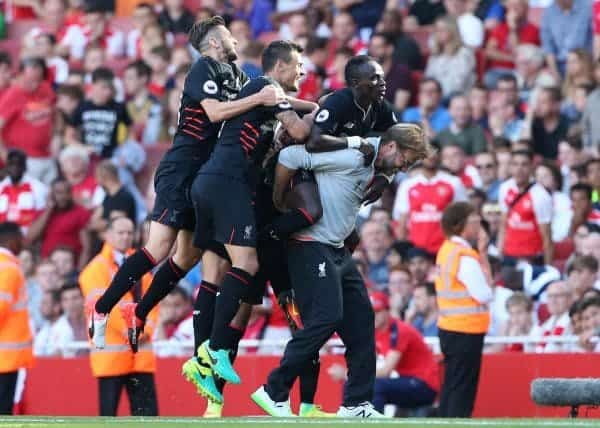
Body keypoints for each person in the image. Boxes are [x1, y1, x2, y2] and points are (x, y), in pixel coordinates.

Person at [88, 16, 284, 359]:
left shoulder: (237, 77)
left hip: (208, 178)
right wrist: (259, 99)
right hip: (181, 168)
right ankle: (102, 308)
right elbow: (214, 113)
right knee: (158, 247)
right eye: (228, 35)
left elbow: (248, 111)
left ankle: (139, 311)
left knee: (188, 255)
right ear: (212, 43)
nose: (236, 41)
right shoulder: (202, 69)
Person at [252, 124, 432, 418]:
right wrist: (279, 200)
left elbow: (383, 169)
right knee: (326, 317)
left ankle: (356, 404)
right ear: (390, 147)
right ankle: (273, 390)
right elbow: (292, 157)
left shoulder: (379, 165)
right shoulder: (351, 157)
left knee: (362, 320)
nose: (405, 166)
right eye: (405, 159)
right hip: (309, 244)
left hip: (335, 247)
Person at [189, 40, 313, 404]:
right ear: (280, 67)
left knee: (220, 276)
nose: (302, 72)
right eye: (298, 65)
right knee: (247, 268)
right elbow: (303, 132)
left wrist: (309, 107)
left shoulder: (262, 101)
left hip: (220, 189)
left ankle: (206, 364)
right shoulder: (265, 87)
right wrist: (321, 114)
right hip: (229, 188)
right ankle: (211, 353)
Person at [79, 216, 158, 416]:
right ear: (108, 235)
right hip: (112, 355)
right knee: (109, 416)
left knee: (147, 414)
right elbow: (102, 307)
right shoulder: (96, 268)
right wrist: (131, 330)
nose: (125, 237)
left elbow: (154, 299)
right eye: (120, 232)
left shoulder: (140, 263)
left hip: (140, 354)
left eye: (130, 233)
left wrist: (146, 329)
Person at [435, 202, 493, 418]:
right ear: (461, 225)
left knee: (452, 384)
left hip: (450, 327)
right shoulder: (465, 256)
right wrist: (484, 255)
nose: (479, 224)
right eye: (475, 220)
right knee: (463, 388)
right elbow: (484, 294)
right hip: (466, 329)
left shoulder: (447, 250)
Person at [369, 291, 439, 414]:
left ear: (387, 311)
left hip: (424, 384)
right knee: (353, 385)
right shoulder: (376, 332)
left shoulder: (399, 330)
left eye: (377, 312)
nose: (373, 316)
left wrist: (354, 375)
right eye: (370, 312)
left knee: (376, 386)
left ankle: (375, 424)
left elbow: (386, 371)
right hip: (408, 381)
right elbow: (368, 363)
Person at [393, 143, 467, 256]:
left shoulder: (454, 183)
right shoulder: (408, 185)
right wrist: (402, 251)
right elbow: (402, 221)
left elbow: (463, 217)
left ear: (440, 156)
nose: (430, 156)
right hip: (416, 252)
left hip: (445, 249)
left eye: (434, 153)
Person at [0, 57, 56, 183]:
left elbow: (56, 117)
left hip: (48, 156)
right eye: (30, 79)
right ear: (20, 75)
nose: (35, 84)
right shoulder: (13, 94)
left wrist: (56, 137)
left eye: (38, 79)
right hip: (26, 159)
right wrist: (6, 157)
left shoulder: (46, 89)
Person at [498, 150, 553, 265]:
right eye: (515, 164)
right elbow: (503, 225)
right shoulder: (504, 188)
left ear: (532, 167)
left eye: (524, 164)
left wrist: (548, 268)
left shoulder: (541, 195)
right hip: (509, 256)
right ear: (510, 167)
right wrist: (499, 255)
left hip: (532, 258)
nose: (519, 169)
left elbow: (547, 237)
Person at [0, 222, 33, 415]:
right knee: (3, 411)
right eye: (21, 238)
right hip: (5, 357)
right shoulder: (9, 269)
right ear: (11, 240)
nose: (23, 242)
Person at [66, 67, 132, 160]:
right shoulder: (82, 107)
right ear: (93, 85)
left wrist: (123, 150)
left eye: (110, 87)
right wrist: (82, 148)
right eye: (103, 87)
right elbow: (69, 136)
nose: (108, 92)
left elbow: (131, 132)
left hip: (112, 158)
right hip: (86, 156)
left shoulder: (118, 107)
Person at [26, 178, 93, 269]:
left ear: (71, 193)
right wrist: (48, 210)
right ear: (52, 194)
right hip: (48, 267)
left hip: (71, 267)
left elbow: (87, 247)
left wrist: (79, 272)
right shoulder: (43, 214)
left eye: (67, 192)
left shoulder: (81, 213)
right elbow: (31, 237)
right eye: (59, 192)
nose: (63, 196)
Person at [0, 150, 48, 233]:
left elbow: (41, 216)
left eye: (18, 164)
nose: (14, 168)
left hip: (28, 237)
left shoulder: (39, 188)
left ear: (25, 167)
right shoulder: (1, 187)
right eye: (11, 164)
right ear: (6, 166)